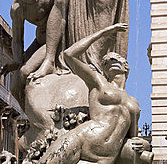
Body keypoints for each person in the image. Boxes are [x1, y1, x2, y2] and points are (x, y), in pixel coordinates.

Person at [38, 23, 150, 164]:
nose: (111, 59)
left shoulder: (133, 102)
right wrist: (103, 32)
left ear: (126, 66)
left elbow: (132, 137)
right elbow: (69, 54)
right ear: (103, 69)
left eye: (116, 58)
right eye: (107, 61)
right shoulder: (99, 82)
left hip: (106, 156)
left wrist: (144, 144)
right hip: (81, 139)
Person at [4, 0, 69, 109]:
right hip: (41, 40)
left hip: (59, 35)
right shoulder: (17, 9)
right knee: (14, 86)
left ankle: (41, 116)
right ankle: (32, 120)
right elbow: (18, 40)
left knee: (26, 73)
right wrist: (17, 60)